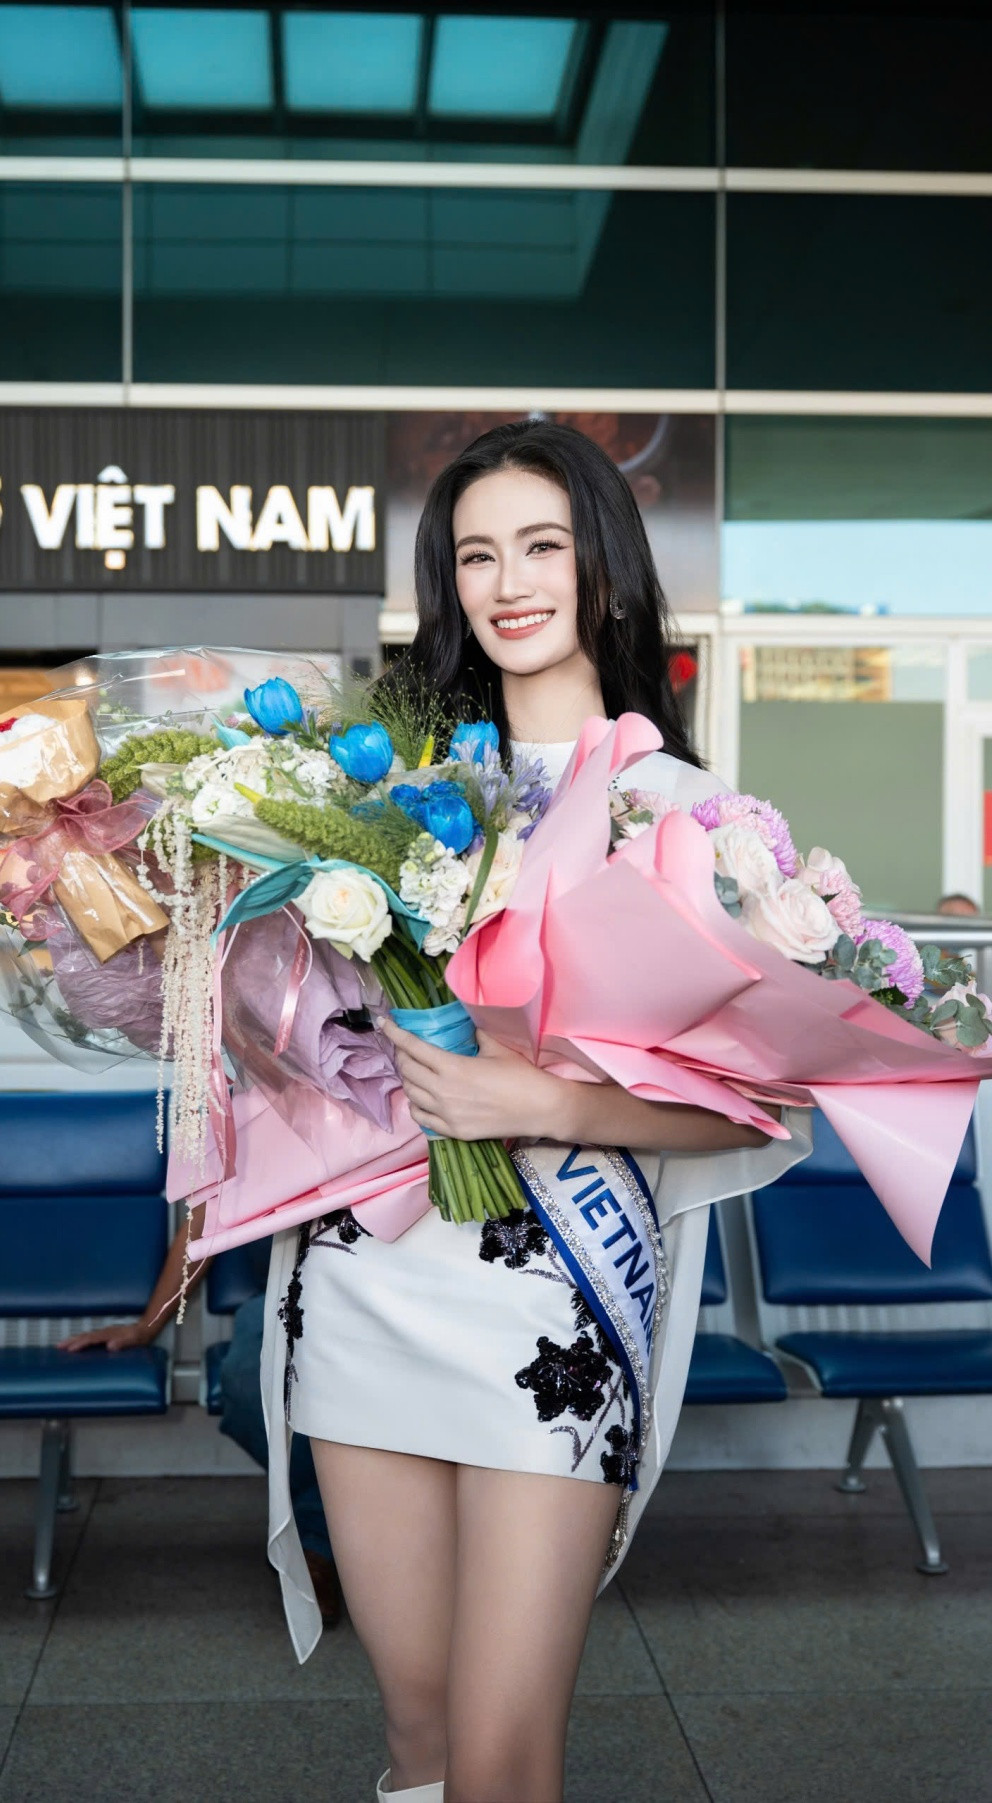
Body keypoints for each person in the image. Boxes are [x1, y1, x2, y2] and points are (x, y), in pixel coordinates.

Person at [259, 420, 813, 1803]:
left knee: (506, 1762)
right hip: (370, 1276)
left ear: (604, 570)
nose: (509, 582)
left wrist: (543, 1097)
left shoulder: (686, 815)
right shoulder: (382, 788)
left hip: (554, 1304)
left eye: (543, 545)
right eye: (477, 555)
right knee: (422, 1740)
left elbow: (763, 1107)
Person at [57, 1210, 341, 1626]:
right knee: (246, 1381)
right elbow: (205, 1219)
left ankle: (325, 1544)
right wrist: (147, 1327)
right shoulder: (249, 1159)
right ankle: (327, 1534)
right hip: (287, 1292)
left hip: (387, 1289)